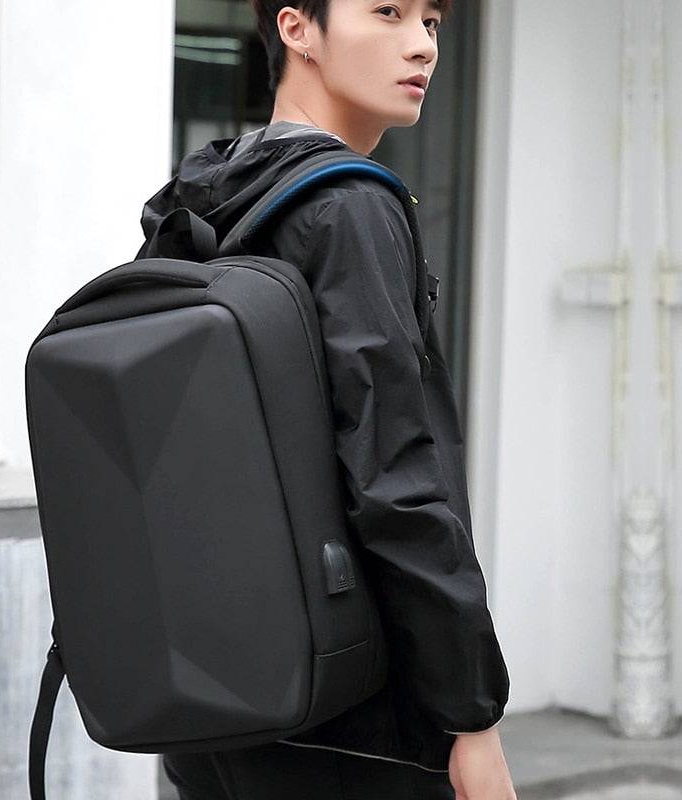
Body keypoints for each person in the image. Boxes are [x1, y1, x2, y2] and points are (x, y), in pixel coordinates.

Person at [141, 1, 516, 798]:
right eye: (387, 12)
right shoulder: (347, 207)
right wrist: (472, 715)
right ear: (296, 28)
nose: (421, 46)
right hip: (354, 725)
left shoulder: (202, 202)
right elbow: (397, 481)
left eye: (432, 22)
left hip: (215, 700)